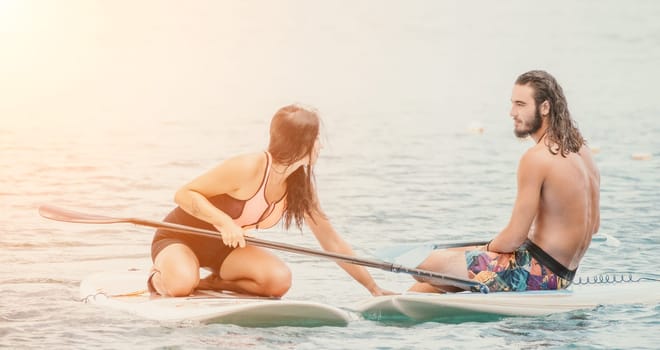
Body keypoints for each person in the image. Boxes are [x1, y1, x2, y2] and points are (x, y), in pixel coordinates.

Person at [148, 104, 391, 298]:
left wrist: (372, 288)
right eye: (317, 139)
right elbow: (184, 194)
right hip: (179, 237)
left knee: (278, 281)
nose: (321, 145)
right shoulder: (249, 167)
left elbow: (332, 242)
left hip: (225, 249)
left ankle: (211, 283)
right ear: (301, 143)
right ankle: (159, 277)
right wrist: (223, 221)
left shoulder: (300, 188)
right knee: (180, 286)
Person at [410, 70, 600, 293]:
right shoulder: (582, 150)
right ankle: (412, 302)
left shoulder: (537, 157)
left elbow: (514, 237)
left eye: (520, 104)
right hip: (563, 274)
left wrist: (486, 250)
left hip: (537, 274)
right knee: (425, 285)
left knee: (421, 265)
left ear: (545, 108)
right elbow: (594, 226)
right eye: (512, 104)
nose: (512, 112)